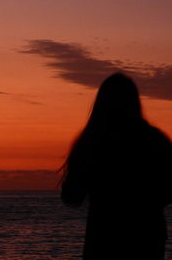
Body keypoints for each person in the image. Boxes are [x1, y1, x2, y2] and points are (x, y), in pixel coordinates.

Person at [60, 73, 172, 259]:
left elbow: (72, 196)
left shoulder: (93, 142)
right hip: (147, 237)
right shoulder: (155, 139)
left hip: (104, 238)